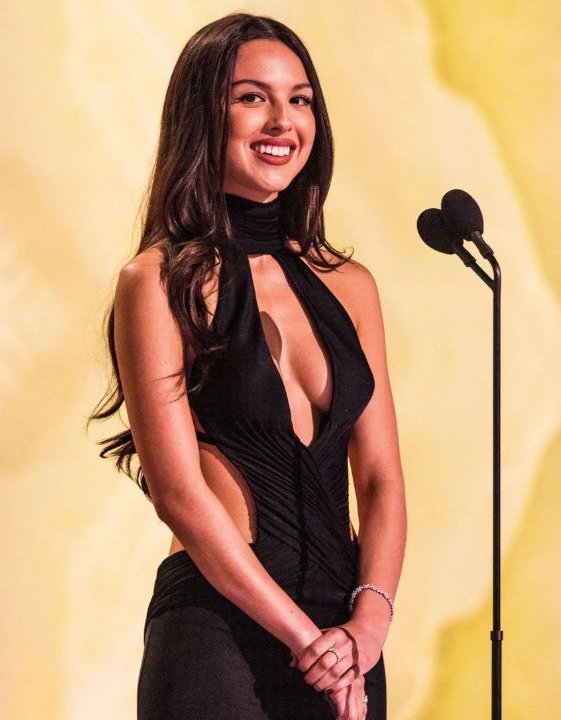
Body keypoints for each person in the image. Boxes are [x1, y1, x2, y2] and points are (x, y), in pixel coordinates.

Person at [92, 13, 406, 720]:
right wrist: (305, 642)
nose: (282, 121)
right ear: (203, 114)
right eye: (251, 97)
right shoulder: (156, 282)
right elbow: (180, 496)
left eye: (300, 99)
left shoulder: (350, 287)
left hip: (346, 633)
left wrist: (367, 629)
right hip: (219, 626)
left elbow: (382, 478)